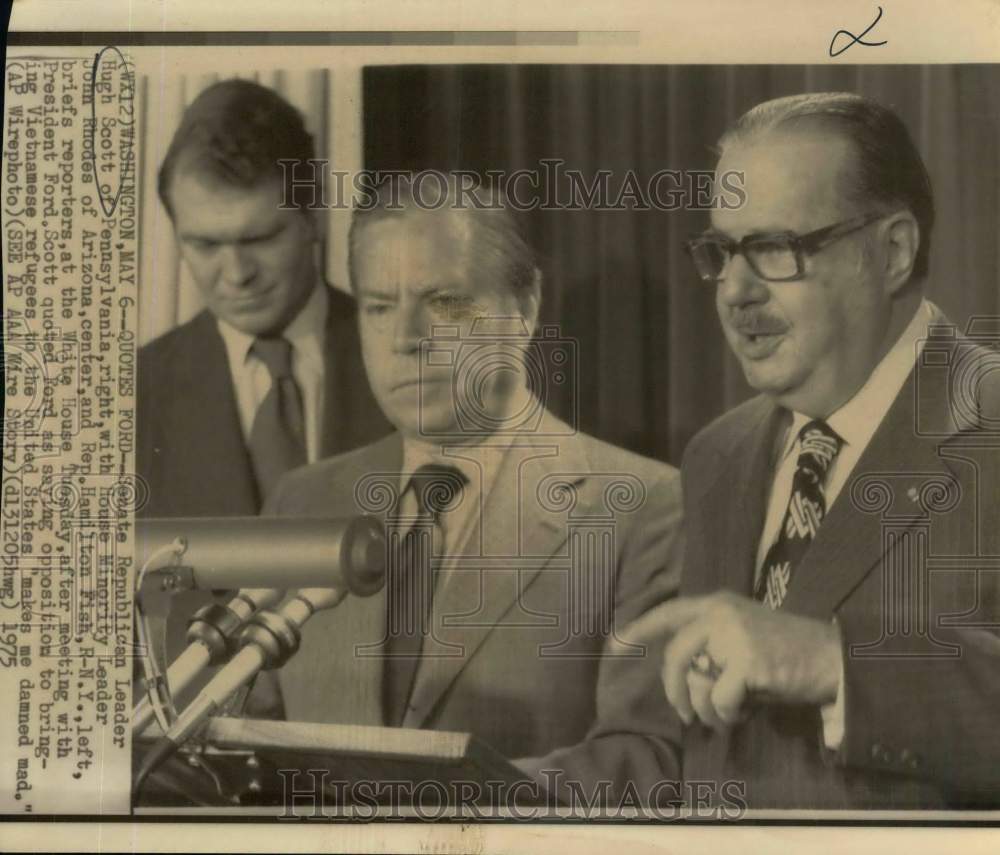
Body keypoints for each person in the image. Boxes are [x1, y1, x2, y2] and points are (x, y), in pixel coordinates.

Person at [260, 175, 685, 805]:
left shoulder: (643, 505)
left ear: (527, 305)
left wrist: (451, 802)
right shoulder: (302, 502)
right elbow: (248, 734)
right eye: (379, 306)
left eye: (444, 302)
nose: (405, 338)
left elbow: (649, 760)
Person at [627, 92, 1000, 809]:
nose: (734, 291)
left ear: (892, 251)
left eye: (774, 249)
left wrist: (831, 661)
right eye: (721, 252)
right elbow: (696, 755)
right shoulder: (718, 455)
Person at [137, 79, 389, 519]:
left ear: (314, 217)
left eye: (260, 238)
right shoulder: (132, 395)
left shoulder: (412, 359)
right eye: (204, 245)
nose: (237, 275)